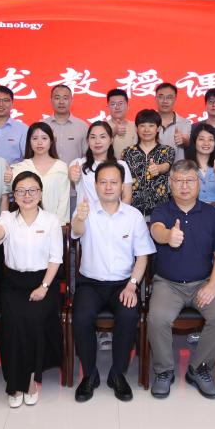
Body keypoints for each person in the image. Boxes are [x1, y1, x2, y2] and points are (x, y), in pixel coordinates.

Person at [70, 163, 156, 402]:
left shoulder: (133, 216)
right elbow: (76, 231)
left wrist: (132, 285)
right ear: (96, 185)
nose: (108, 187)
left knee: (129, 315)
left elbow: (143, 255)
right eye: (103, 182)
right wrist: (79, 217)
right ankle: (90, 374)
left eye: (113, 182)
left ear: (122, 186)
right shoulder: (85, 209)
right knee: (82, 317)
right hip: (90, 283)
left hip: (123, 283)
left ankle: (117, 374)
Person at [147, 160, 215, 399]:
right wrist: (168, 236)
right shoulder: (162, 211)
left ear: (199, 183)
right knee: (157, 318)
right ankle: (164, 371)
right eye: (179, 181)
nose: (184, 186)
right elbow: (156, 230)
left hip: (202, 283)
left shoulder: (211, 214)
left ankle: (199, 369)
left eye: (190, 181)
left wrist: (213, 285)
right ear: (170, 183)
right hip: (168, 284)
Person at [0, 172, 64, 407]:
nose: (26, 195)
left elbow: (56, 259)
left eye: (32, 190)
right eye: (20, 190)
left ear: (40, 193)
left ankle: (29, 379)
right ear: (14, 195)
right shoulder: (7, 218)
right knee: (13, 322)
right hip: (13, 284)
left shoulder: (51, 221)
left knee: (34, 318)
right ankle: (15, 383)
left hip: (44, 281)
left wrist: (44, 287)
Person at [7, 122, 70, 225]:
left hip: (54, 225)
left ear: (51, 141)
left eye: (44, 138)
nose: (39, 143)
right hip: (24, 225)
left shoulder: (61, 167)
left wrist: (59, 224)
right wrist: (7, 179)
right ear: (29, 141)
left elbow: (64, 200)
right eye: (35, 138)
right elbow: (11, 192)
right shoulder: (20, 167)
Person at [122, 109, 175, 217]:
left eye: (151, 126)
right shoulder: (127, 152)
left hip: (160, 209)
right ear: (136, 128)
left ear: (158, 128)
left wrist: (158, 168)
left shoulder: (167, 150)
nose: (146, 130)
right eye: (142, 126)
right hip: (133, 210)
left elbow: (166, 166)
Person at [68, 121, 134, 206]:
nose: (97, 141)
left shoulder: (121, 165)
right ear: (87, 141)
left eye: (102, 137)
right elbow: (72, 176)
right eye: (93, 137)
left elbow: (127, 197)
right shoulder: (78, 163)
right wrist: (72, 174)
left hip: (113, 214)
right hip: (85, 213)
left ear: (111, 140)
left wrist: (117, 213)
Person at [187, 124, 215, 222]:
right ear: (194, 142)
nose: (206, 143)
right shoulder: (186, 167)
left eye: (210, 139)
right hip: (190, 214)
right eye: (201, 139)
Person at [42, 85, 88, 168]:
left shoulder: (82, 126)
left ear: (71, 100)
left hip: (75, 175)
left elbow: (87, 155)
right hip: (47, 174)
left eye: (65, 98)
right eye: (57, 98)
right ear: (51, 100)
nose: (61, 102)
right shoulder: (42, 125)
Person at [0, 85, 27, 165]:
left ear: (12, 103)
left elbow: (28, 158)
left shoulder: (23, 129)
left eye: (6, 100)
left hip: (13, 172)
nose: (1, 104)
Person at [155, 82, 191, 160]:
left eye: (169, 97)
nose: (165, 101)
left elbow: (187, 142)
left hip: (176, 167)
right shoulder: (147, 121)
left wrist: (183, 140)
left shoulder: (184, 123)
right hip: (151, 166)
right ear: (155, 98)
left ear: (175, 99)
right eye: (161, 97)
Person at [106, 88, 137, 157]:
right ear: (108, 107)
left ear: (128, 106)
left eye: (120, 103)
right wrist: (112, 133)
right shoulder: (101, 127)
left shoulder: (136, 126)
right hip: (108, 163)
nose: (117, 107)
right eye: (113, 104)